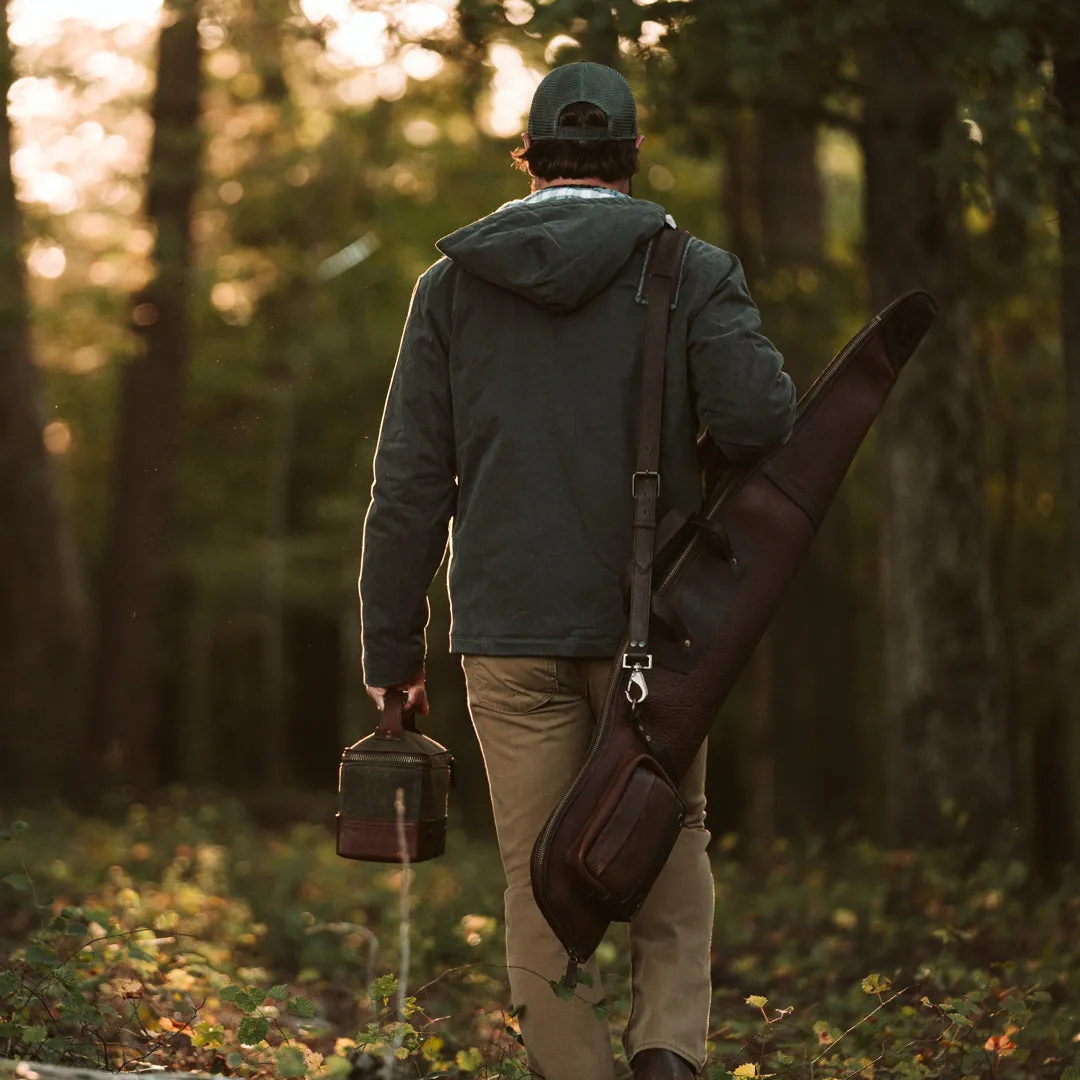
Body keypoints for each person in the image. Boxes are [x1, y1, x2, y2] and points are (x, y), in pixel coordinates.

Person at [359, 61, 795, 1080]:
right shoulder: (691, 268)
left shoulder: (452, 286)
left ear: (532, 157)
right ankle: (667, 1059)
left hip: (506, 630)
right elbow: (759, 419)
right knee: (672, 834)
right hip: (657, 624)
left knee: (536, 871)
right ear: (631, 160)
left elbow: (409, 484)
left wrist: (391, 651)